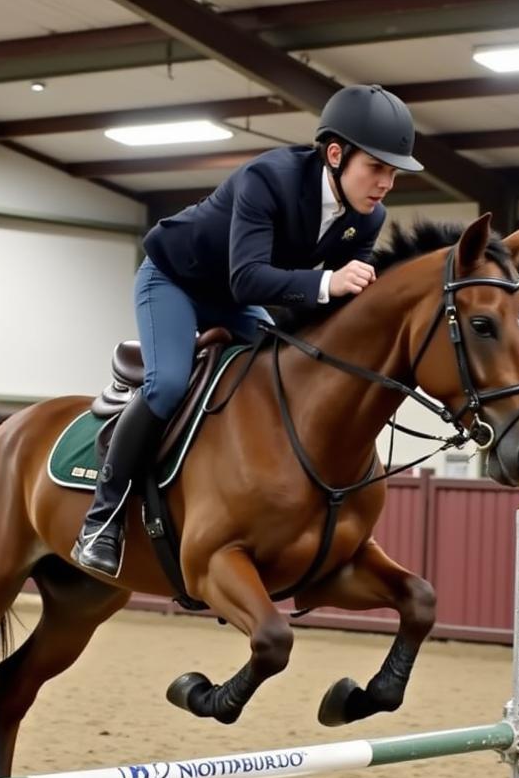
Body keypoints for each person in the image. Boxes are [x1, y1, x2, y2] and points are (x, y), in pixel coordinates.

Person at [73, 84, 424, 577]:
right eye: (377, 168)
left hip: (237, 300)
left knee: (280, 375)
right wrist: (328, 280)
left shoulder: (367, 218)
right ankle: (101, 518)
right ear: (336, 154)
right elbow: (248, 277)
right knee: (169, 382)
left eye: (393, 173)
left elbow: (338, 308)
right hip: (175, 278)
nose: (386, 183)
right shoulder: (270, 178)